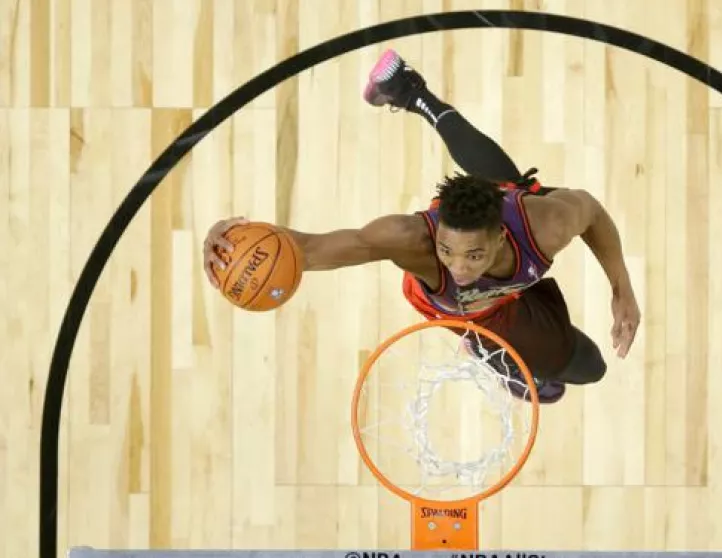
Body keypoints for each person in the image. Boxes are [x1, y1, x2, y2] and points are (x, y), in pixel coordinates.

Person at [202, 49, 640, 404]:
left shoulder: (548, 224)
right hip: (479, 313)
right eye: (448, 251)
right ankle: (487, 351)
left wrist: (621, 287)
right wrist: (234, 246)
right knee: (590, 367)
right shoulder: (413, 244)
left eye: (473, 256)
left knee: (515, 185)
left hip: (514, 237)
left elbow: (593, 213)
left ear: (500, 236)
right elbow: (308, 250)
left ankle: (411, 93)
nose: (458, 268)